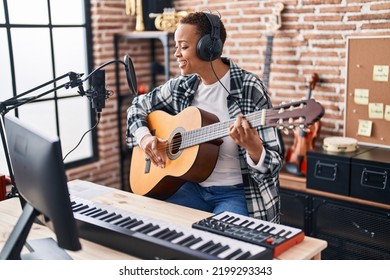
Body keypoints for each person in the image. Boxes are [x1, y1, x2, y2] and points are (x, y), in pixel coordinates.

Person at [126, 11, 283, 223]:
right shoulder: (181, 87)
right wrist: (145, 138)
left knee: (225, 246)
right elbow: (136, 107)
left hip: (237, 193)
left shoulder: (249, 87)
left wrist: (255, 148)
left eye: (183, 46)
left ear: (209, 47)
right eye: (176, 47)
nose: (176, 54)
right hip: (190, 187)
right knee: (150, 222)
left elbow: (274, 163)